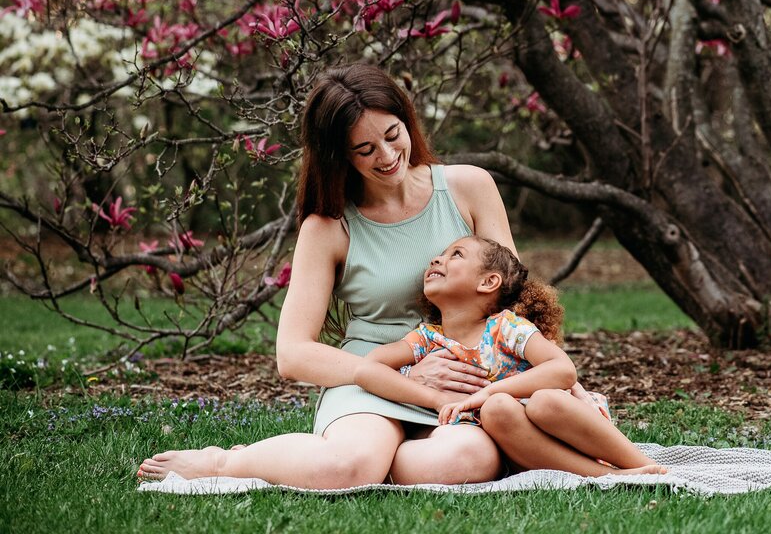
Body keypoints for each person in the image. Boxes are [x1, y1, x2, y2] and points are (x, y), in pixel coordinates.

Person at [138, 63, 514, 488]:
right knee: (344, 469)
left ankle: (385, 459)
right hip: (369, 375)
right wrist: (401, 375)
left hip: (459, 378)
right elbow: (293, 353)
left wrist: (552, 378)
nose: (387, 157)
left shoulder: (469, 187)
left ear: (407, 121)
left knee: (466, 460)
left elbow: (518, 299)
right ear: (339, 154)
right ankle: (226, 463)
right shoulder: (329, 226)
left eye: (392, 136)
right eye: (365, 149)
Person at [356, 235, 666, 477]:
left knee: (539, 400)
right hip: (520, 444)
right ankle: (607, 476)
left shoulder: (506, 327)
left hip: (565, 425)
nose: (437, 259)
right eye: (441, 254)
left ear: (488, 282)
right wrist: (436, 400)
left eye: (457, 255)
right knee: (496, 411)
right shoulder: (428, 338)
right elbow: (368, 371)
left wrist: (489, 391)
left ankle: (641, 464)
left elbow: (562, 370)